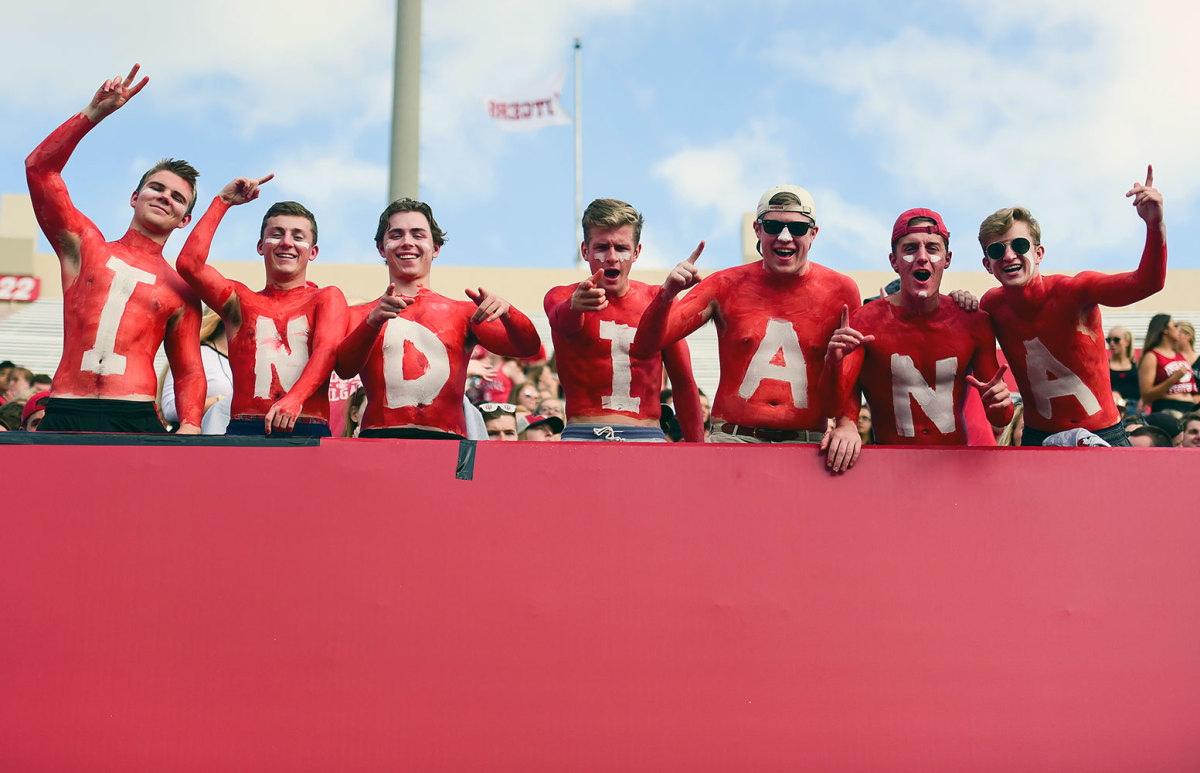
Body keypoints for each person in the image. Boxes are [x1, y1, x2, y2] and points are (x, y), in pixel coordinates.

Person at [25, 64, 204, 433]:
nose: (165, 198)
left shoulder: (182, 291)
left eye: (177, 197)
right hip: (66, 410)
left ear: (185, 219)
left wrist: (190, 425)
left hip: (135, 416)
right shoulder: (86, 246)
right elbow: (40, 169)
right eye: (157, 188)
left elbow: (188, 372)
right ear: (135, 197)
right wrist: (94, 113)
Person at [633, 184, 862, 469]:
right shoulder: (724, 284)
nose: (785, 237)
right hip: (734, 440)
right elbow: (645, 346)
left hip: (807, 444)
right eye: (774, 226)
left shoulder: (840, 290)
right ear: (758, 229)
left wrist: (848, 423)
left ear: (813, 234)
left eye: (798, 229)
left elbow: (852, 369)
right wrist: (666, 295)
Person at [977, 167, 1166, 447]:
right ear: (987, 265)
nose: (1008, 256)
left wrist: (1154, 224)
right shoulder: (991, 306)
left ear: (1038, 253)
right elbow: (1001, 413)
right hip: (1038, 437)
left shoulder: (1075, 291)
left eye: (1019, 245)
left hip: (1104, 433)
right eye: (996, 250)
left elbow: (1146, 283)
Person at [335, 198, 541, 439]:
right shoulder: (361, 315)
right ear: (382, 247)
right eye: (397, 235)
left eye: (418, 235)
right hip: (381, 440)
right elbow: (344, 369)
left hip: (448, 442)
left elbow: (528, 347)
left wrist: (509, 312)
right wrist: (373, 323)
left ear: (436, 248)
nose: (407, 242)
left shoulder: (462, 313)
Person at [821, 208, 1013, 445]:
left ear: (947, 259)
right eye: (911, 248)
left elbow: (1001, 417)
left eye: (932, 248)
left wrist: (1001, 401)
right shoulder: (866, 321)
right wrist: (833, 365)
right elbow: (830, 405)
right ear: (894, 261)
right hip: (891, 467)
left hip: (953, 466)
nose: (922, 257)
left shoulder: (973, 321)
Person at [177, 177, 348, 436]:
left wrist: (295, 398)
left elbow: (327, 351)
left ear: (313, 252)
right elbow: (189, 264)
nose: (286, 242)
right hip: (246, 427)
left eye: (298, 236)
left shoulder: (326, 297)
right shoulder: (240, 301)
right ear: (260, 246)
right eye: (276, 234)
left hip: (306, 426)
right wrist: (222, 202)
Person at [544, 198, 703, 442]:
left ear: (637, 252)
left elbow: (683, 382)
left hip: (647, 434)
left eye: (621, 248)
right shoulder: (562, 296)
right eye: (601, 247)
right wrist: (574, 308)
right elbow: (563, 321)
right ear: (585, 250)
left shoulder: (659, 299)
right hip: (583, 434)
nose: (611, 257)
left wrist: (698, 453)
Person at [161, 308, 234, 434]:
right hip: (198, 444)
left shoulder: (250, 361)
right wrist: (221, 402)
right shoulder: (197, 354)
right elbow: (170, 408)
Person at [1137, 314, 1197, 414]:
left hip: (1190, 408)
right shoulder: (1152, 356)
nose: (1179, 329)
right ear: (1165, 330)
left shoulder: (1178, 354)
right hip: (1168, 407)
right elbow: (1146, 395)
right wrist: (1173, 379)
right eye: (1175, 325)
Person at [1107, 325, 1140, 415]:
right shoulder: (1104, 366)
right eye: (1109, 340)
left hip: (1134, 408)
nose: (1112, 343)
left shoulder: (1137, 366)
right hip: (1112, 408)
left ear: (1127, 342)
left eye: (1116, 340)